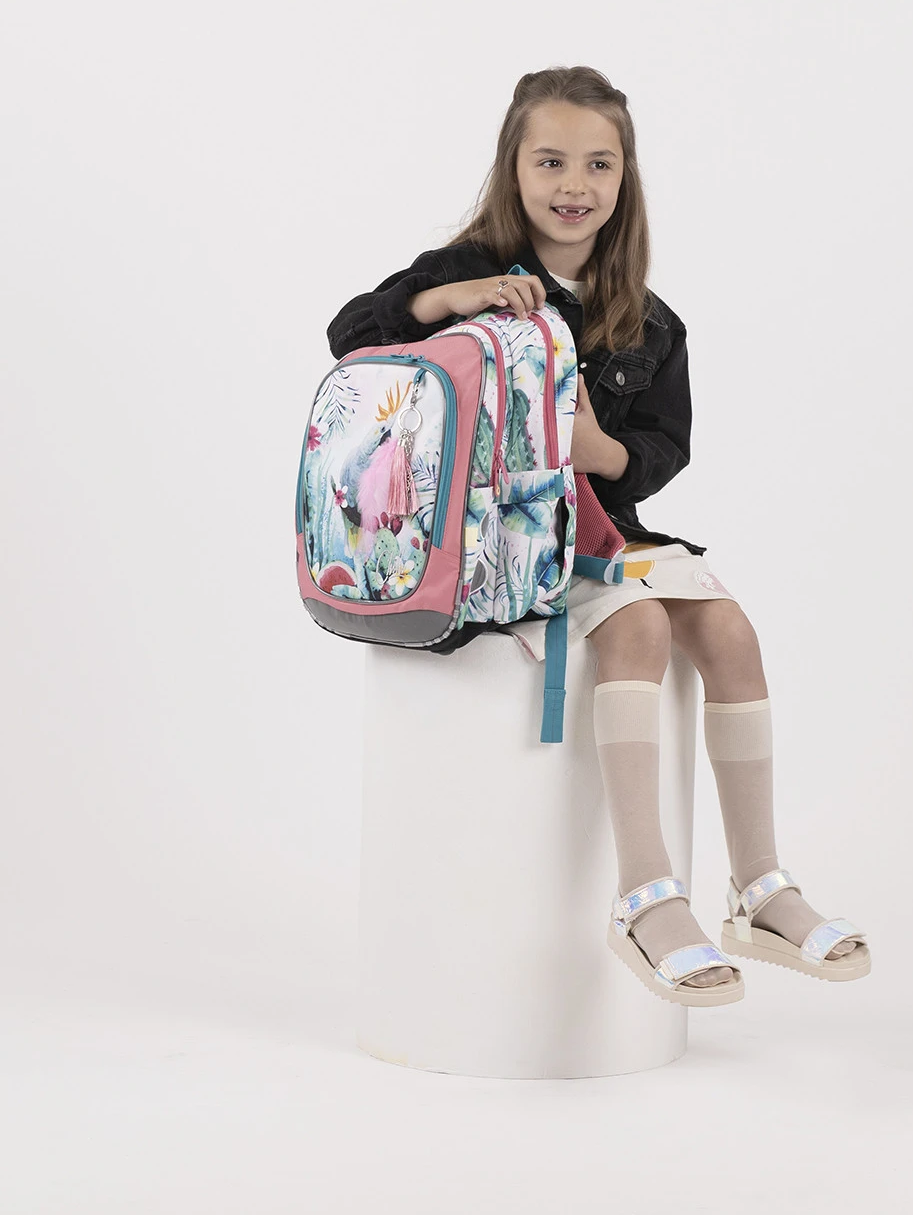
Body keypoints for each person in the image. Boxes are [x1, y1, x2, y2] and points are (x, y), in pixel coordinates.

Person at [325, 65, 869, 1005]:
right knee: (641, 623)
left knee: (729, 627)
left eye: (598, 164)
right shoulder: (465, 272)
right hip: (500, 541)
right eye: (550, 161)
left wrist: (598, 449)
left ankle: (760, 884)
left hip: (602, 527)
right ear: (514, 167)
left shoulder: (649, 320)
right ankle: (646, 894)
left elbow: (661, 449)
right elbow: (351, 335)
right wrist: (450, 301)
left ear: (625, 177)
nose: (574, 185)